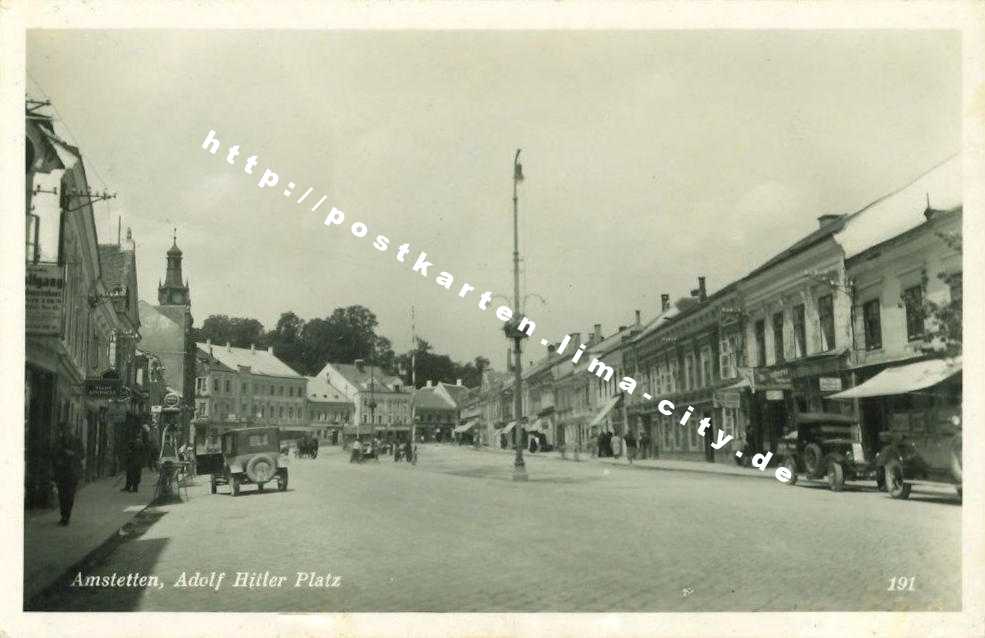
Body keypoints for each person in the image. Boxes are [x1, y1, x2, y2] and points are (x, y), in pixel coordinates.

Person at [51, 422, 83, 526]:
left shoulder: (77, 441)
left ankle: (66, 516)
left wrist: (73, 454)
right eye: (64, 430)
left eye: (68, 429)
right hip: (62, 472)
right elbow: (53, 454)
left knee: (70, 495)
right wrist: (59, 459)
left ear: (71, 430)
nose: (66, 432)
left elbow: (82, 454)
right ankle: (63, 515)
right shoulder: (58, 441)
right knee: (62, 495)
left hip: (73, 472)